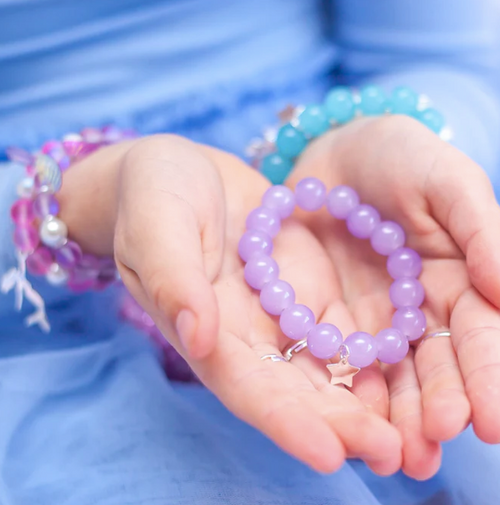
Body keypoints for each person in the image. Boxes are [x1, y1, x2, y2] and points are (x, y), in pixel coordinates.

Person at [1, 1, 500, 504]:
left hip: (320, 141)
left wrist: (397, 137)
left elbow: (461, 67)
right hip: (50, 302)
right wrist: (86, 202)